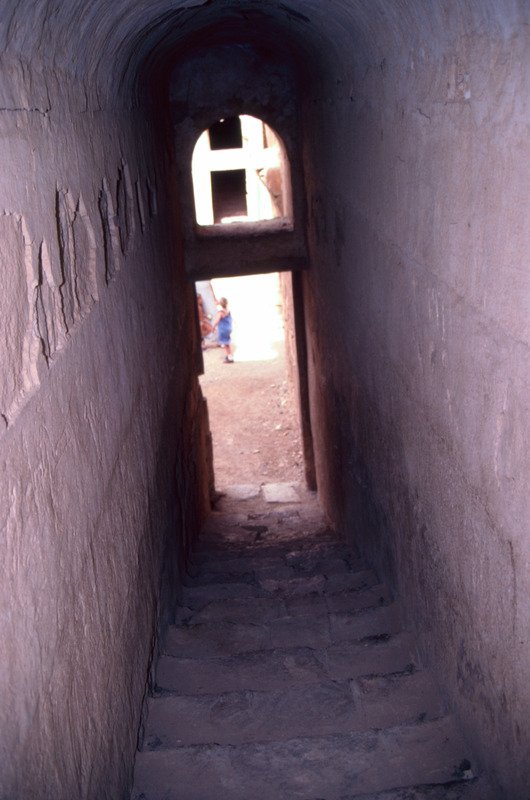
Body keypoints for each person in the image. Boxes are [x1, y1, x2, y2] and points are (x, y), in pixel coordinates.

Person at [212, 297, 234, 363]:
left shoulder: (221, 312)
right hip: (228, 328)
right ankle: (229, 355)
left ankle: (230, 357)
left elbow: (217, 320)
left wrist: (213, 327)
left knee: (225, 344)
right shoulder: (228, 311)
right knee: (227, 343)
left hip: (223, 329)